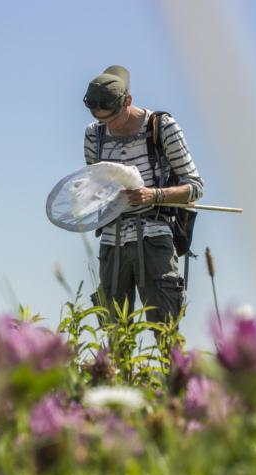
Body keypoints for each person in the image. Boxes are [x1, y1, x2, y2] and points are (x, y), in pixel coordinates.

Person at [83, 65, 204, 324]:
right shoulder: (94, 134)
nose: (108, 125)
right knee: (114, 328)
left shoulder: (162, 127)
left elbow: (195, 186)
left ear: (127, 100)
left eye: (112, 118)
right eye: (101, 118)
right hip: (111, 241)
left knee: (165, 325)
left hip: (155, 236)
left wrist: (154, 195)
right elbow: (95, 183)